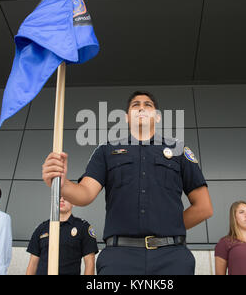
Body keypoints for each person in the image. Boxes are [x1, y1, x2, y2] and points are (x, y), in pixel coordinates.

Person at [42, 91, 213, 275]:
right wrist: (62, 184)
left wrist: (168, 228)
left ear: (157, 117)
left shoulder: (179, 150)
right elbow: (85, 194)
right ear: (126, 117)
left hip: (172, 258)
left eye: (148, 105)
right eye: (135, 105)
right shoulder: (106, 151)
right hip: (119, 259)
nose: (141, 108)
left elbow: (204, 207)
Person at [26, 197, 98, 275]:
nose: (61, 199)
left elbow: (90, 264)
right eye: (59, 196)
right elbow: (33, 264)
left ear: (74, 203)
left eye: (66, 197)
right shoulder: (42, 228)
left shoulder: (83, 227)